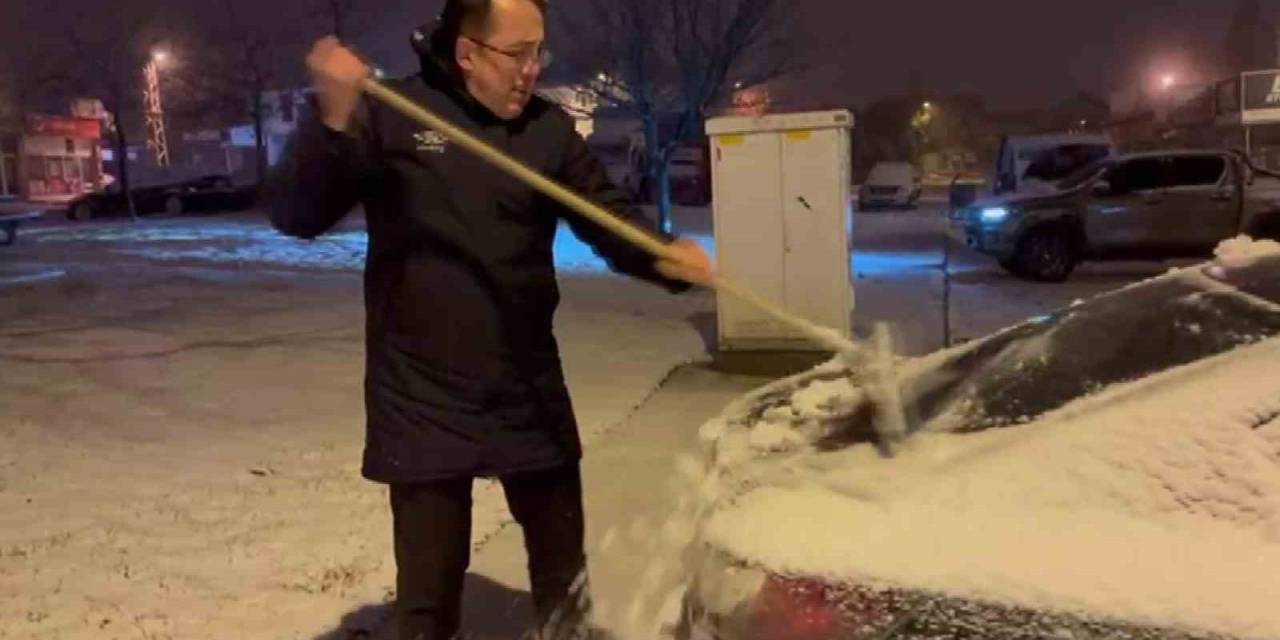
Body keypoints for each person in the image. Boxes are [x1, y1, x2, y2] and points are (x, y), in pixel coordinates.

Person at [265, 0, 714, 638]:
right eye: (518, 53)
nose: (532, 70)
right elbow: (296, 213)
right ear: (467, 51)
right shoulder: (394, 115)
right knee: (427, 606)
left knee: (566, 587)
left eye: (540, 52)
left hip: (525, 386)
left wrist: (664, 258)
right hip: (422, 394)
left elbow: (607, 217)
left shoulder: (547, 131)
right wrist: (331, 121)